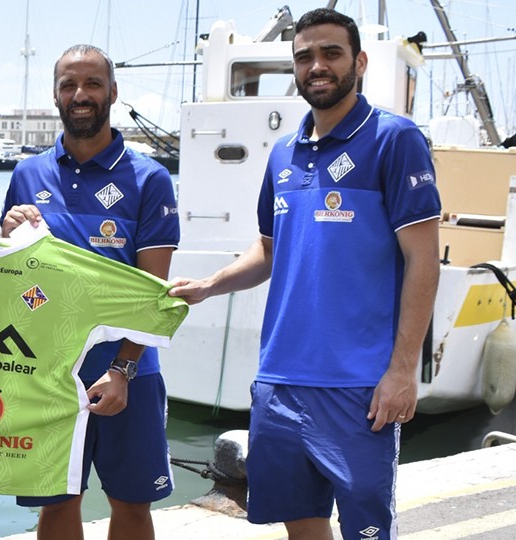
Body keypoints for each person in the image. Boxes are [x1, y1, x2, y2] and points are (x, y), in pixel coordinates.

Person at [168, 9, 440, 540]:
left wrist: (403, 370)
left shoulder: (394, 139)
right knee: (300, 526)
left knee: (367, 531)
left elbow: (423, 260)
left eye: (331, 53)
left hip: (359, 387)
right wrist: (210, 285)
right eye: (305, 56)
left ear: (359, 62)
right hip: (280, 383)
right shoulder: (283, 154)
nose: (317, 65)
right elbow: (268, 251)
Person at [1, 44, 180, 540]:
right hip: (47, 376)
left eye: (92, 84)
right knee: (56, 508)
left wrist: (122, 368)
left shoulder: (150, 178)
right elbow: (13, 280)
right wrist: (8, 229)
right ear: (56, 96)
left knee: (131, 506)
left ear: (113, 93)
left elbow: (155, 294)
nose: (80, 95)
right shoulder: (27, 174)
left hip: (130, 374)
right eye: (68, 85)